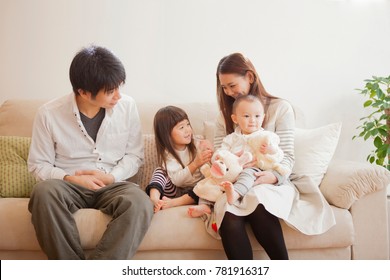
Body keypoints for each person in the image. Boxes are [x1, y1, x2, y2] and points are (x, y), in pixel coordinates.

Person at [27, 45, 154, 260]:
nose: (118, 96)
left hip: (112, 183)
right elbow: (38, 165)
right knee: (43, 193)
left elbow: (134, 156)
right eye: (110, 91)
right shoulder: (49, 114)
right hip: (68, 185)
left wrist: (111, 177)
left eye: (119, 87)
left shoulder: (127, 106)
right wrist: (70, 178)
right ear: (83, 92)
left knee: (140, 202)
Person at [211, 52, 335, 260]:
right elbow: (219, 157)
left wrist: (274, 177)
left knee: (259, 203)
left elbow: (286, 156)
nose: (228, 92)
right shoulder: (224, 117)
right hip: (236, 181)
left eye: (232, 85)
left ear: (249, 77)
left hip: (272, 179)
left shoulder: (280, 109)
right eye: (224, 87)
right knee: (229, 214)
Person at [218, 94, 286, 205]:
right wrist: (230, 157)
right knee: (212, 180)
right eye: (246, 116)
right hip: (231, 171)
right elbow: (221, 153)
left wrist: (271, 150)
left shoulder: (266, 137)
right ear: (235, 119)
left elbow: (279, 156)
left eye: (257, 116)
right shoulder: (231, 138)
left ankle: (236, 194)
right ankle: (205, 203)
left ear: (263, 117)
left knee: (248, 174)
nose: (252, 120)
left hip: (255, 170)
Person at [145, 105, 213, 213]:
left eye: (188, 124)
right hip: (174, 191)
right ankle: (154, 198)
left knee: (206, 185)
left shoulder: (197, 145)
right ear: (167, 134)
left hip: (193, 193)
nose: (188, 130)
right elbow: (177, 181)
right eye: (181, 127)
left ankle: (174, 203)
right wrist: (195, 164)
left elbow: (211, 168)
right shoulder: (168, 155)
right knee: (160, 171)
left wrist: (211, 152)